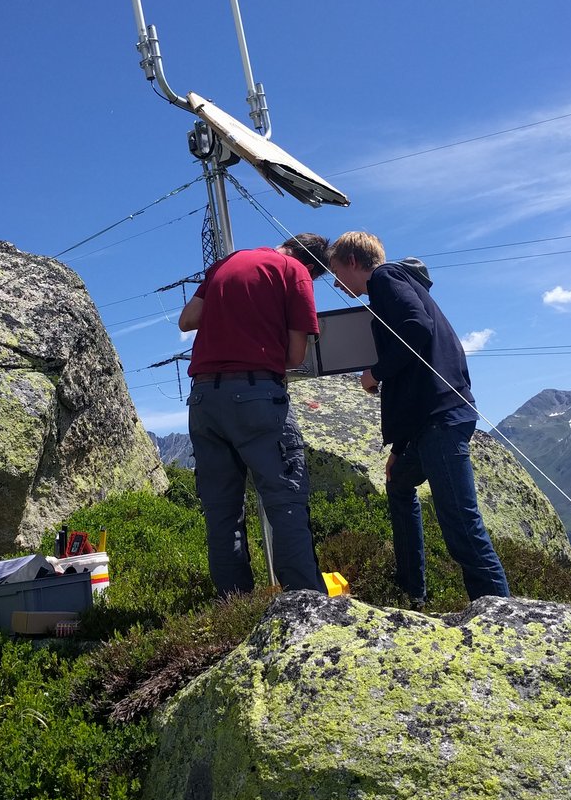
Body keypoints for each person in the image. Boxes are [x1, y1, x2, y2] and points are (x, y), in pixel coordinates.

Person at [326, 231, 510, 604]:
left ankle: (500, 616)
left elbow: (416, 328)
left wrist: (375, 373)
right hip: (431, 421)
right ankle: (413, 593)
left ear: (352, 262)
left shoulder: (385, 279)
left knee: (462, 526)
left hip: (441, 420)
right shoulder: (393, 285)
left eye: (335, 272)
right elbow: (415, 375)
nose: (335, 282)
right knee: (398, 483)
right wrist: (399, 446)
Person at [178, 234, 329, 597]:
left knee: (222, 512)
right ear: (312, 265)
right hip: (257, 395)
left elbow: (187, 320)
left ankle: (235, 609)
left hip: (203, 399)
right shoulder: (295, 271)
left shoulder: (225, 264)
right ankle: (305, 607)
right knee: (285, 501)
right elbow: (294, 357)